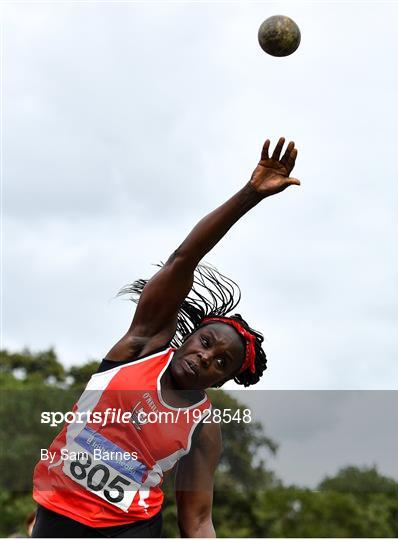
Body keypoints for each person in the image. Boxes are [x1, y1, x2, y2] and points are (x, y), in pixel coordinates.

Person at [32, 137, 300, 538]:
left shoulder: (203, 426)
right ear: (189, 335)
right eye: (206, 342)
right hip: (57, 516)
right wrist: (250, 195)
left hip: (132, 529)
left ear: (221, 382)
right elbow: (183, 259)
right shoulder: (142, 347)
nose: (208, 357)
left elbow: (197, 519)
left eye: (221, 363)